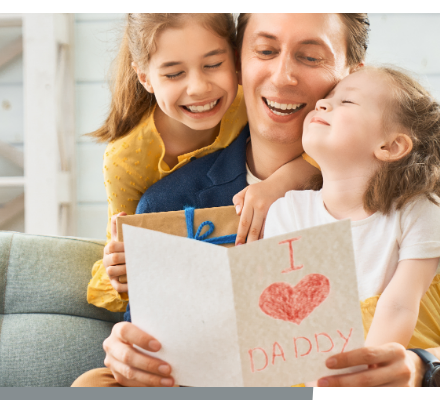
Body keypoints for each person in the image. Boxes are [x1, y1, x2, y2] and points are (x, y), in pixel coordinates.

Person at [75, 13, 440, 387]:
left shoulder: (424, 182)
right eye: (265, 51)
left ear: (350, 71)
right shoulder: (173, 199)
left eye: (311, 56)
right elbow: (152, 334)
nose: (284, 76)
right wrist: (128, 352)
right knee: (95, 385)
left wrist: (422, 369)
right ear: (238, 63)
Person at [263, 65, 440, 387]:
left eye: (347, 103)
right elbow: (283, 321)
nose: (322, 105)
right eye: (327, 99)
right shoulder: (287, 212)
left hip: (398, 369)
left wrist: (363, 378)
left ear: (392, 146)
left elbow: (399, 305)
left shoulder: (417, 207)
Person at [84, 13, 317, 315]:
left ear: (235, 61)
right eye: (173, 74)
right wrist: (119, 268)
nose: (198, 88)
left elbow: (335, 138)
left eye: (212, 65)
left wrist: (281, 182)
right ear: (144, 77)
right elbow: (123, 239)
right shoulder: (125, 159)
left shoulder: (255, 98)